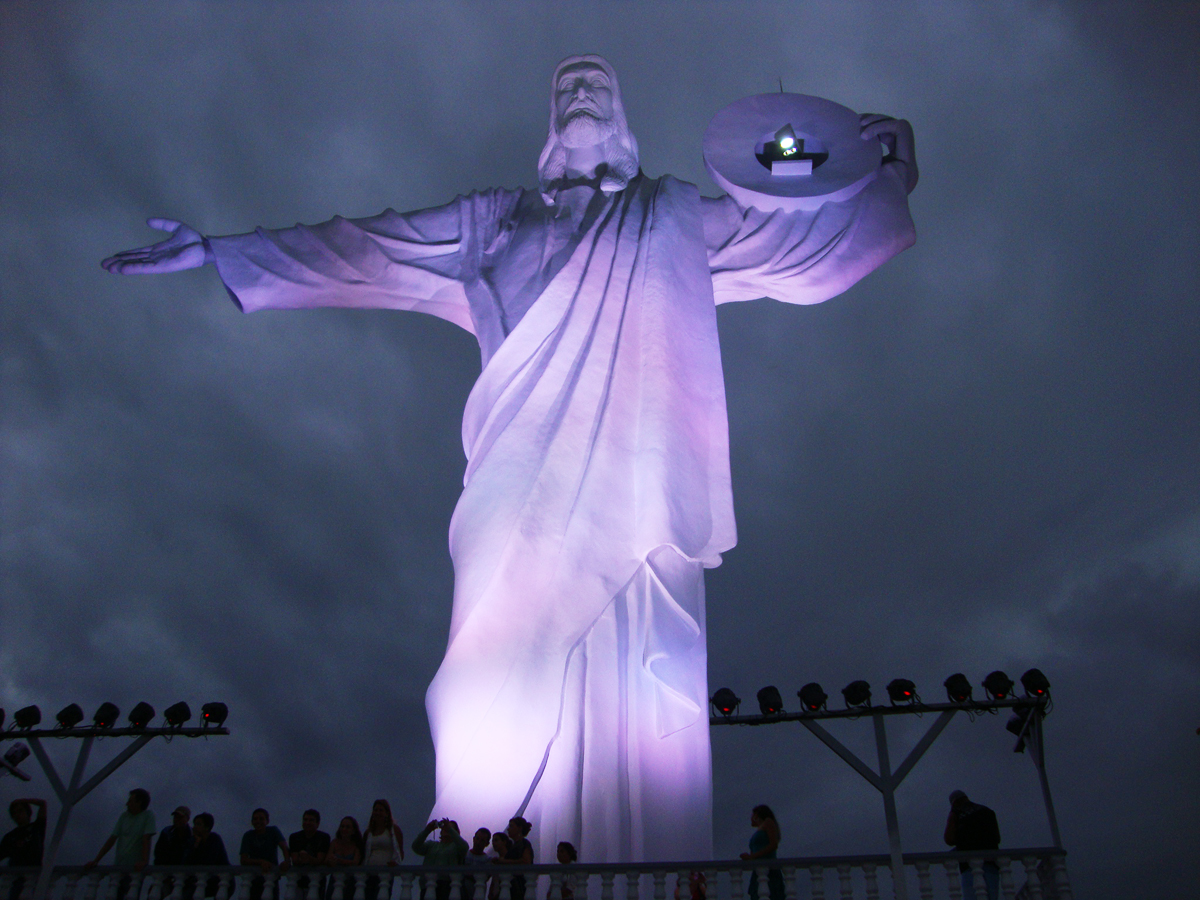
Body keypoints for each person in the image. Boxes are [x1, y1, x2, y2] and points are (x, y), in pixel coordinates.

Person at [101, 53, 916, 864]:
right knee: (479, 688)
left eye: (596, 83)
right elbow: (365, 250)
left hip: (635, 498)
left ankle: (635, 866)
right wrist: (222, 252)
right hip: (514, 484)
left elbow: (796, 249)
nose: (581, 91)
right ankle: (483, 863)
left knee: (627, 677)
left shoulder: (667, 217)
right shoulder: (491, 224)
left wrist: (880, 172)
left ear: (623, 116)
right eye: (566, 86)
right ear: (549, 123)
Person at [86, 788, 156, 900]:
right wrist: (96, 860)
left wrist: (143, 861)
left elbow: (146, 839)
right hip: (118, 867)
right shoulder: (124, 817)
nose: (127, 804)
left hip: (135, 869)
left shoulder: (148, 816)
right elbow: (112, 839)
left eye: (131, 801)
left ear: (139, 802)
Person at [944, 791, 1001, 900]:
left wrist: (952, 815)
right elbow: (997, 838)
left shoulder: (958, 814)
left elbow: (949, 839)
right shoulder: (987, 811)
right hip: (991, 864)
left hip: (970, 866)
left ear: (954, 802)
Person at [0, 798, 46, 900]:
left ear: (28, 812)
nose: (17, 815)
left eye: (20, 810)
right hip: (15, 879)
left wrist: (21, 800)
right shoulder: (10, 837)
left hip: (32, 877)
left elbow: (42, 804)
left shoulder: (36, 828)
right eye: (14, 813)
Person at [239, 808, 290, 900]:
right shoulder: (248, 836)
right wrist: (261, 862)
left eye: (261, 819)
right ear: (252, 821)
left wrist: (287, 861)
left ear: (267, 821)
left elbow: (284, 847)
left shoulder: (273, 831)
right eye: (255, 819)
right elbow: (243, 859)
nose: (258, 821)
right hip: (254, 879)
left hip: (271, 877)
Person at [411, 819, 469, 900]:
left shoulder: (456, 847)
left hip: (447, 886)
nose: (445, 829)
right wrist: (427, 830)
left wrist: (450, 830)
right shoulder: (432, 845)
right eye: (444, 828)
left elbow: (464, 847)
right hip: (428, 884)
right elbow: (416, 846)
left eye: (448, 828)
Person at [361, 800, 403, 900]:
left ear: (387, 813)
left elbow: (400, 851)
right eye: (375, 810)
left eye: (381, 810)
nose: (378, 813)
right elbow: (363, 852)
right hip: (369, 873)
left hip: (385, 874)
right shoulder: (368, 832)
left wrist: (395, 862)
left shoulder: (394, 830)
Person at [183, 812, 229, 900]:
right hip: (204, 880)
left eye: (198, 824)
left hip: (221, 881)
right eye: (195, 824)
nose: (194, 827)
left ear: (207, 827)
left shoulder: (214, 839)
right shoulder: (193, 841)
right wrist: (196, 845)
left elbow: (209, 862)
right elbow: (187, 863)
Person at [740, 805, 783, 900]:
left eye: (752, 815)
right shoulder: (758, 831)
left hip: (769, 870)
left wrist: (752, 857)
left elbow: (773, 845)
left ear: (757, 815)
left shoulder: (768, 822)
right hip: (758, 870)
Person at [289, 809, 331, 899]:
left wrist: (308, 858)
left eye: (311, 820)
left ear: (318, 823)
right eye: (305, 820)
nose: (307, 823)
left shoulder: (323, 838)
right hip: (298, 882)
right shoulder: (294, 837)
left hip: (316, 883)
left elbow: (320, 860)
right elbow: (295, 860)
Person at [154, 806, 193, 899]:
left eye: (180, 817)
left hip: (183, 878)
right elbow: (159, 853)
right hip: (166, 876)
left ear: (187, 819)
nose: (176, 820)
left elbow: (191, 858)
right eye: (175, 817)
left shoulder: (192, 835)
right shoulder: (166, 832)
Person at [493, 818, 533, 900]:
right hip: (512, 886)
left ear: (519, 828)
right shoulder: (515, 846)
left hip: (519, 886)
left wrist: (504, 861)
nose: (508, 829)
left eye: (511, 826)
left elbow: (526, 861)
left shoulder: (524, 843)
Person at [324, 817, 363, 900]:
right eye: (342, 826)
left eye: (347, 827)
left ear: (353, 830)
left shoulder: (356, 846)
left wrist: (338, 860)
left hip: (350, 883)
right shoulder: (334, 843)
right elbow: (327, 859)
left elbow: (355, 862)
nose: (344, 829)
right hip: (334, 881)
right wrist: (331, 861)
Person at [463, 828, 493, 900]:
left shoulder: (487, 860)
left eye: (482, 840)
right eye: (477, 838)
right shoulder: (464, 855)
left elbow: (485, 877)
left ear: (487, 844)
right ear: (473, 839)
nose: (478, 842)